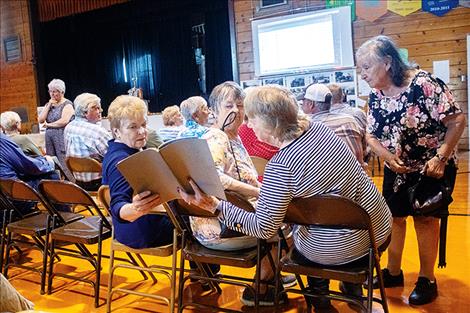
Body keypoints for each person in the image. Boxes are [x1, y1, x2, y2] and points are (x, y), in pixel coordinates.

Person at [178, 85, 392, 309]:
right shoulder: (322, 130)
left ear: (271, 124)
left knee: (292, 233)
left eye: (251, 118)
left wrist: (214, 206)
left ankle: (319, 299)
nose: (247, 124)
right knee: (313, 220)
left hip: (333, 252)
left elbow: (264, 228)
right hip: (377, 234)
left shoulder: (280, 167)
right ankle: (352, 290)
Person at [356, 35, 466, 305]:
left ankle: (427, 278)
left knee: (425, 220)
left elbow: (457, 119)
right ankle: (393, 272)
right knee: (394, 217)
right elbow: (371, 136)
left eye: (367, 68)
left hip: (432, 167)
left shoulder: (424, 85)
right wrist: (387, 158)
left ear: (388, 63)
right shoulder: (377, 94)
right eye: (360, 69)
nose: (363, 75)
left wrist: (440, 157)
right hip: (397, 167)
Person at [102, 95, 174, 249]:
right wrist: (136, 208)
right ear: (117, 131)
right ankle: (202, 272)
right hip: (141, 230)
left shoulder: (127, 150)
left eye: (144, 124)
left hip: (133, 228)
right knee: (197, 223)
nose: (142, 131)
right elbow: (117, 207)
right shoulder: (122, 161)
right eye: (133, 127)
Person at [0, 133, 69, 215]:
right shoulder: (2, 140)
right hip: (13, 197)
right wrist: (49, 163)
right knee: (51, 175)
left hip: (3, 199)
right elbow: (28, 166)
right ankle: (65, 218)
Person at [301, 83, 365, 167]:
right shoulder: (349, 121)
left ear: (310, 104)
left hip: (330, 177)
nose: (301, 105)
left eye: (303, 101)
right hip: (358, 174)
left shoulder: (307, 128)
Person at [64, 93, 111, 191]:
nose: (99, 111)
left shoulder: (68, 127)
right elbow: (113, 156)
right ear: (84, 112)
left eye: (99, 108)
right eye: (95, 108)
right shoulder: (97, 131)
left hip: (79, 184)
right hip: (100, 184)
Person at [38, 78, 74, 180]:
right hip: (49, 137)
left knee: (63, 160)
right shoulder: (48, 105)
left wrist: (49, 125)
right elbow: (41, 120)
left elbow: (64, 121)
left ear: (62, 91)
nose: (52, 94)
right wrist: (49, 105)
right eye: (50, 91)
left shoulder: (67, 104)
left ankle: (71, 183)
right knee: (51, 160)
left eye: (55, 91)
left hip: (61, 135)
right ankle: (56, 183)